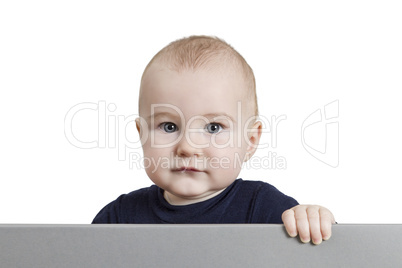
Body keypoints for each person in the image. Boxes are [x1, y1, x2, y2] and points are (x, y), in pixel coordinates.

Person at [92, 35, 335, 245]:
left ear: (250, 140)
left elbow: (329, 255)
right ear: (141, 134)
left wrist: (314, 222)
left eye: (213, 127)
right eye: (169, 126)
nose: (187, 147)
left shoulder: (265, 208)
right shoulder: (118, 218)